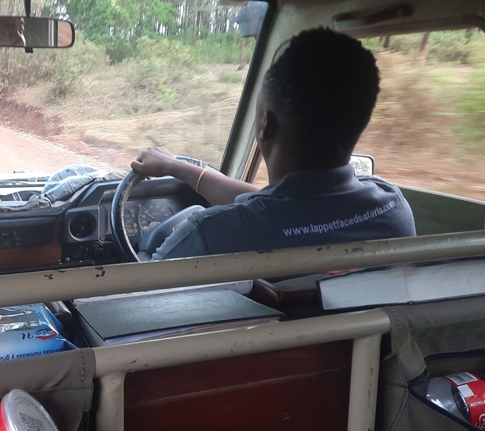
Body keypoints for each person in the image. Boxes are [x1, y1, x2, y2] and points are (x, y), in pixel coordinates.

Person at [131, 28, 416, 260]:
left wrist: (144, 248)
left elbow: (141, 296)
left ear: (265, 124)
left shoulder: (212, 235)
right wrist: (177, 167)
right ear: (360, 121)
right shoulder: (392, 209)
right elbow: (280, 206)